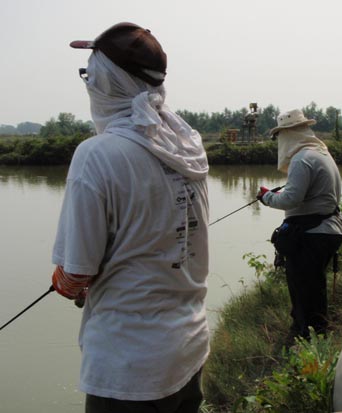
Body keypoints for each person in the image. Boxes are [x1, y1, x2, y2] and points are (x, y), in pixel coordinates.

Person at [51, 22, 210, 413]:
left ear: (106, 83)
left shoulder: (97, 154)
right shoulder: (186, 146)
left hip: (129, 371)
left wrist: (64, 282)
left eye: (90, 74)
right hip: (189, 349)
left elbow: (75, 277)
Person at [256, 109, 342, 342]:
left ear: (289, 133)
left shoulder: (302, 158)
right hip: (327, 229)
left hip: (312, 235)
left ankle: (306, 337)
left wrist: (266, 197)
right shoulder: (320, 153)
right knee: (314, 286)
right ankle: (317, 331)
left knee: (303, 288)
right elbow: (309, 194)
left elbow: (290, 199)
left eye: (280, 135)